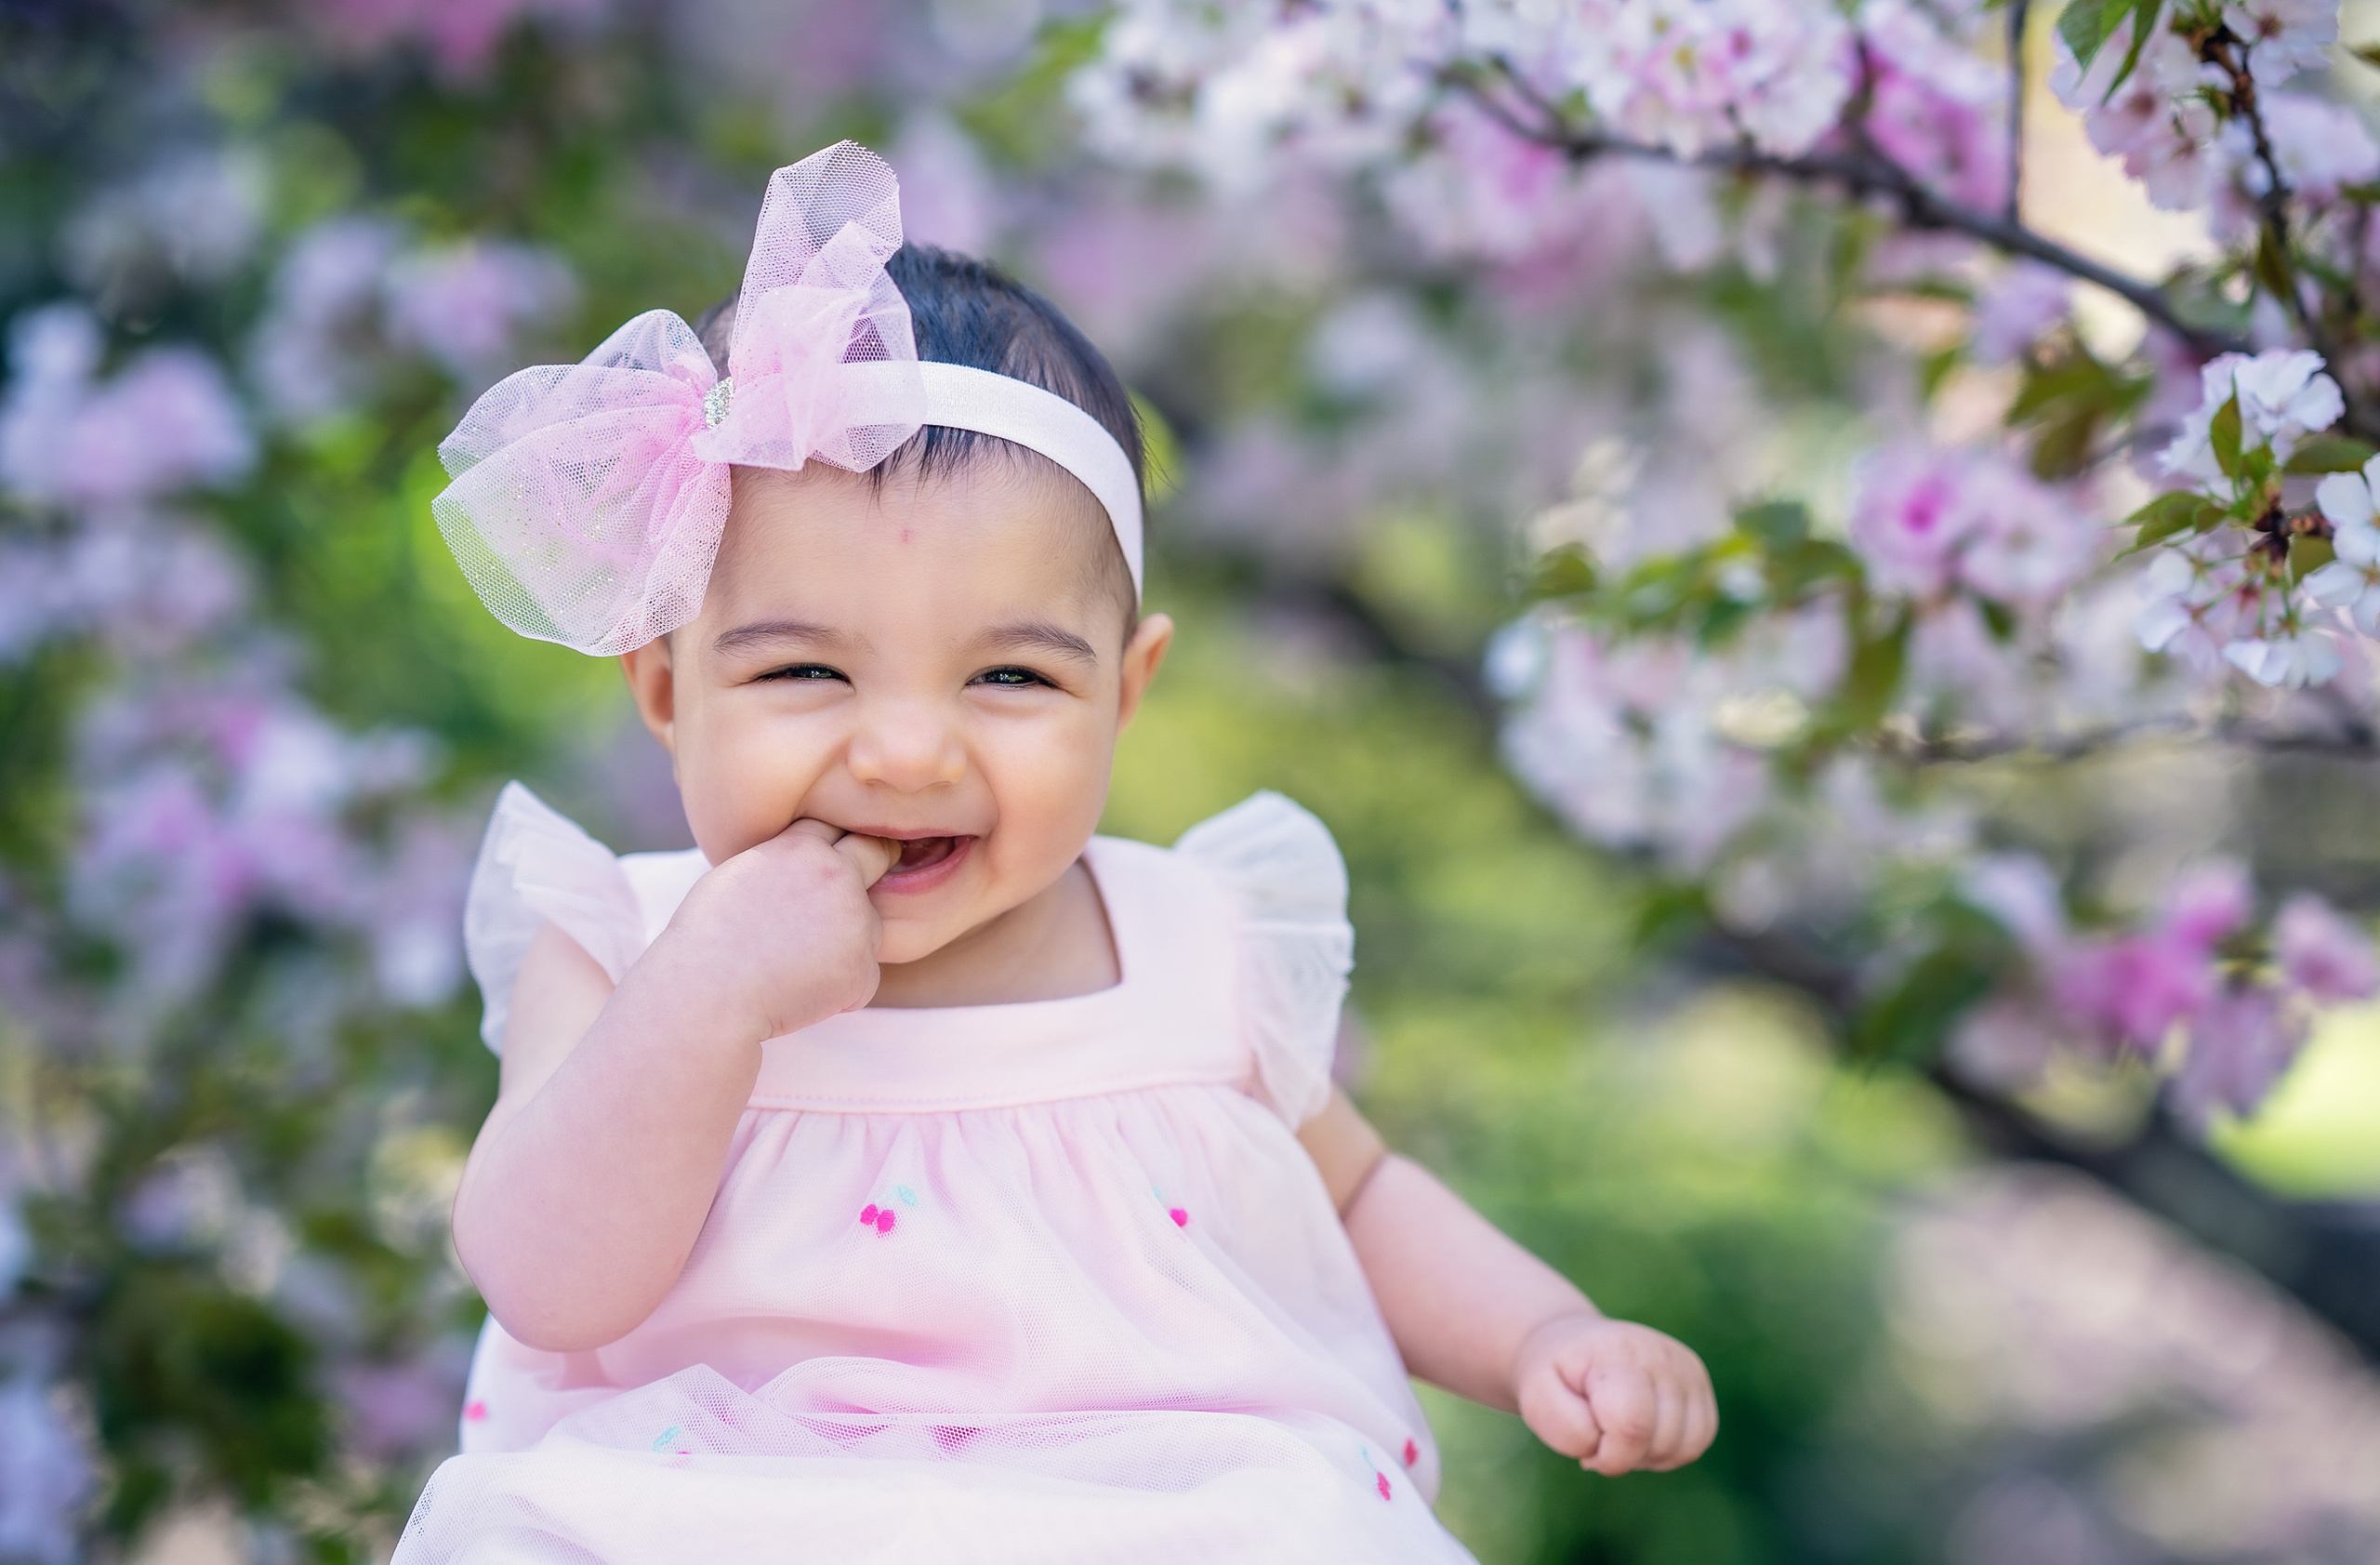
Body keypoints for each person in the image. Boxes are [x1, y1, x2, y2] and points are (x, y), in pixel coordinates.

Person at [397, 141, 1714, 1564]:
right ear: (667, 691)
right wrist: (709, 990)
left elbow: (1364, 1193)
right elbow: (545, 1279)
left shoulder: (1196, 944)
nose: (909, 752)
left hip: (1154, 1515)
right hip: (739, 1509)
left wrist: (1543, 1334)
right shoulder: (620, 944)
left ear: (1124, 694)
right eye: (807, 674)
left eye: (1010, 679)